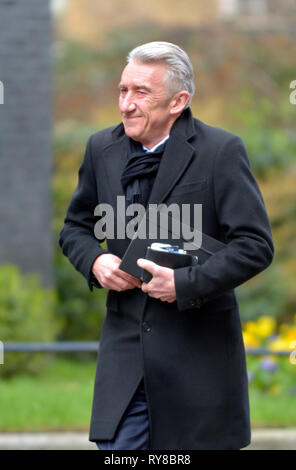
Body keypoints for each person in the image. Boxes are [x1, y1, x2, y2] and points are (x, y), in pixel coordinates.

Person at [59, 41, 274, 450]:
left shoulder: (221, 151)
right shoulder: (99, 148)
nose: (126, 104)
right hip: (125, 356)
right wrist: (96, 260)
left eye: (141, 92)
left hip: (199, 361)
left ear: (179, 101)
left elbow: (254, 245)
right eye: (122, 90)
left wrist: (185, 283)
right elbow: (74, 227)